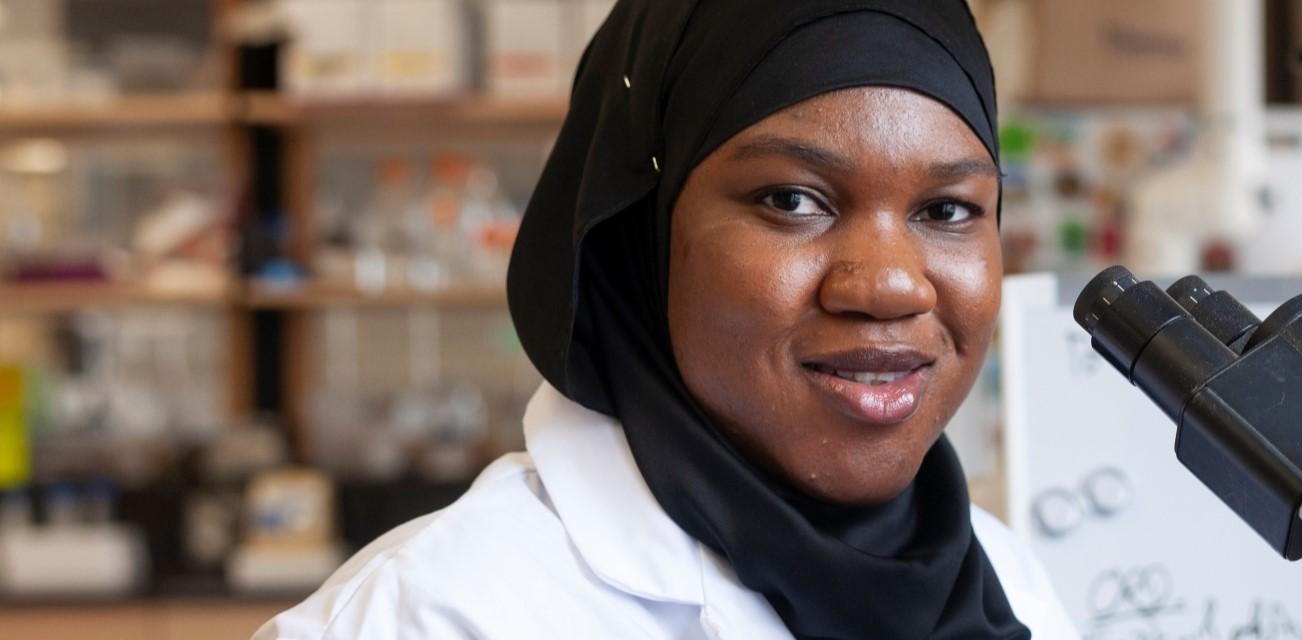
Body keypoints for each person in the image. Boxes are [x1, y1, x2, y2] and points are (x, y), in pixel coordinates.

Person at [254, 0, 1076, 638]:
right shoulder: (437, 614)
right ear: (639, 238)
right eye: (793, 200)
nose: (892, 286)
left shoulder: (1009, 578)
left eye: (946, 209)